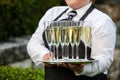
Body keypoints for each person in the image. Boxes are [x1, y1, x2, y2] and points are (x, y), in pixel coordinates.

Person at [27, 0, 116, 80]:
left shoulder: (102, 21)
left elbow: (104, 59)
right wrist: (44, 56)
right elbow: (34, 43)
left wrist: (82, 68)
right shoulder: (52, 13)